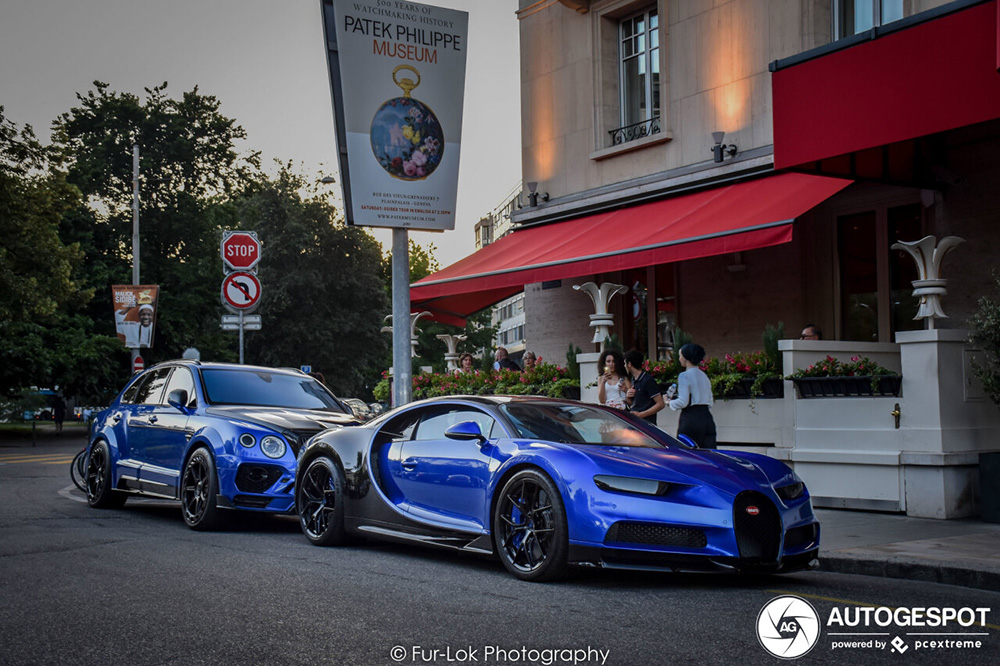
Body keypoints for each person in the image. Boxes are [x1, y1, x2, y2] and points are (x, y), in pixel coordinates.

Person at [666, 343, 717, 449]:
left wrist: (668, 402)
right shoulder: (704, 376)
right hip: (707, 418)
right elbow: (710, 400)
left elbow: (683, 401)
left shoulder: (684, 376)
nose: (679, 358)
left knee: (687, 453)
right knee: (709, 454)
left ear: (685, 358)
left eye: (680, 355)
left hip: (691, 419)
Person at [623, 350, 665, 423]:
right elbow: (635, 403)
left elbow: (660, 404)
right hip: (636, 423)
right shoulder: (633, 379)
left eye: (625, 363)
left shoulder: (647, 380)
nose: (624, 366)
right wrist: (628, 396)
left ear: (629, 364)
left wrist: (641, 414)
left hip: (646, 425)